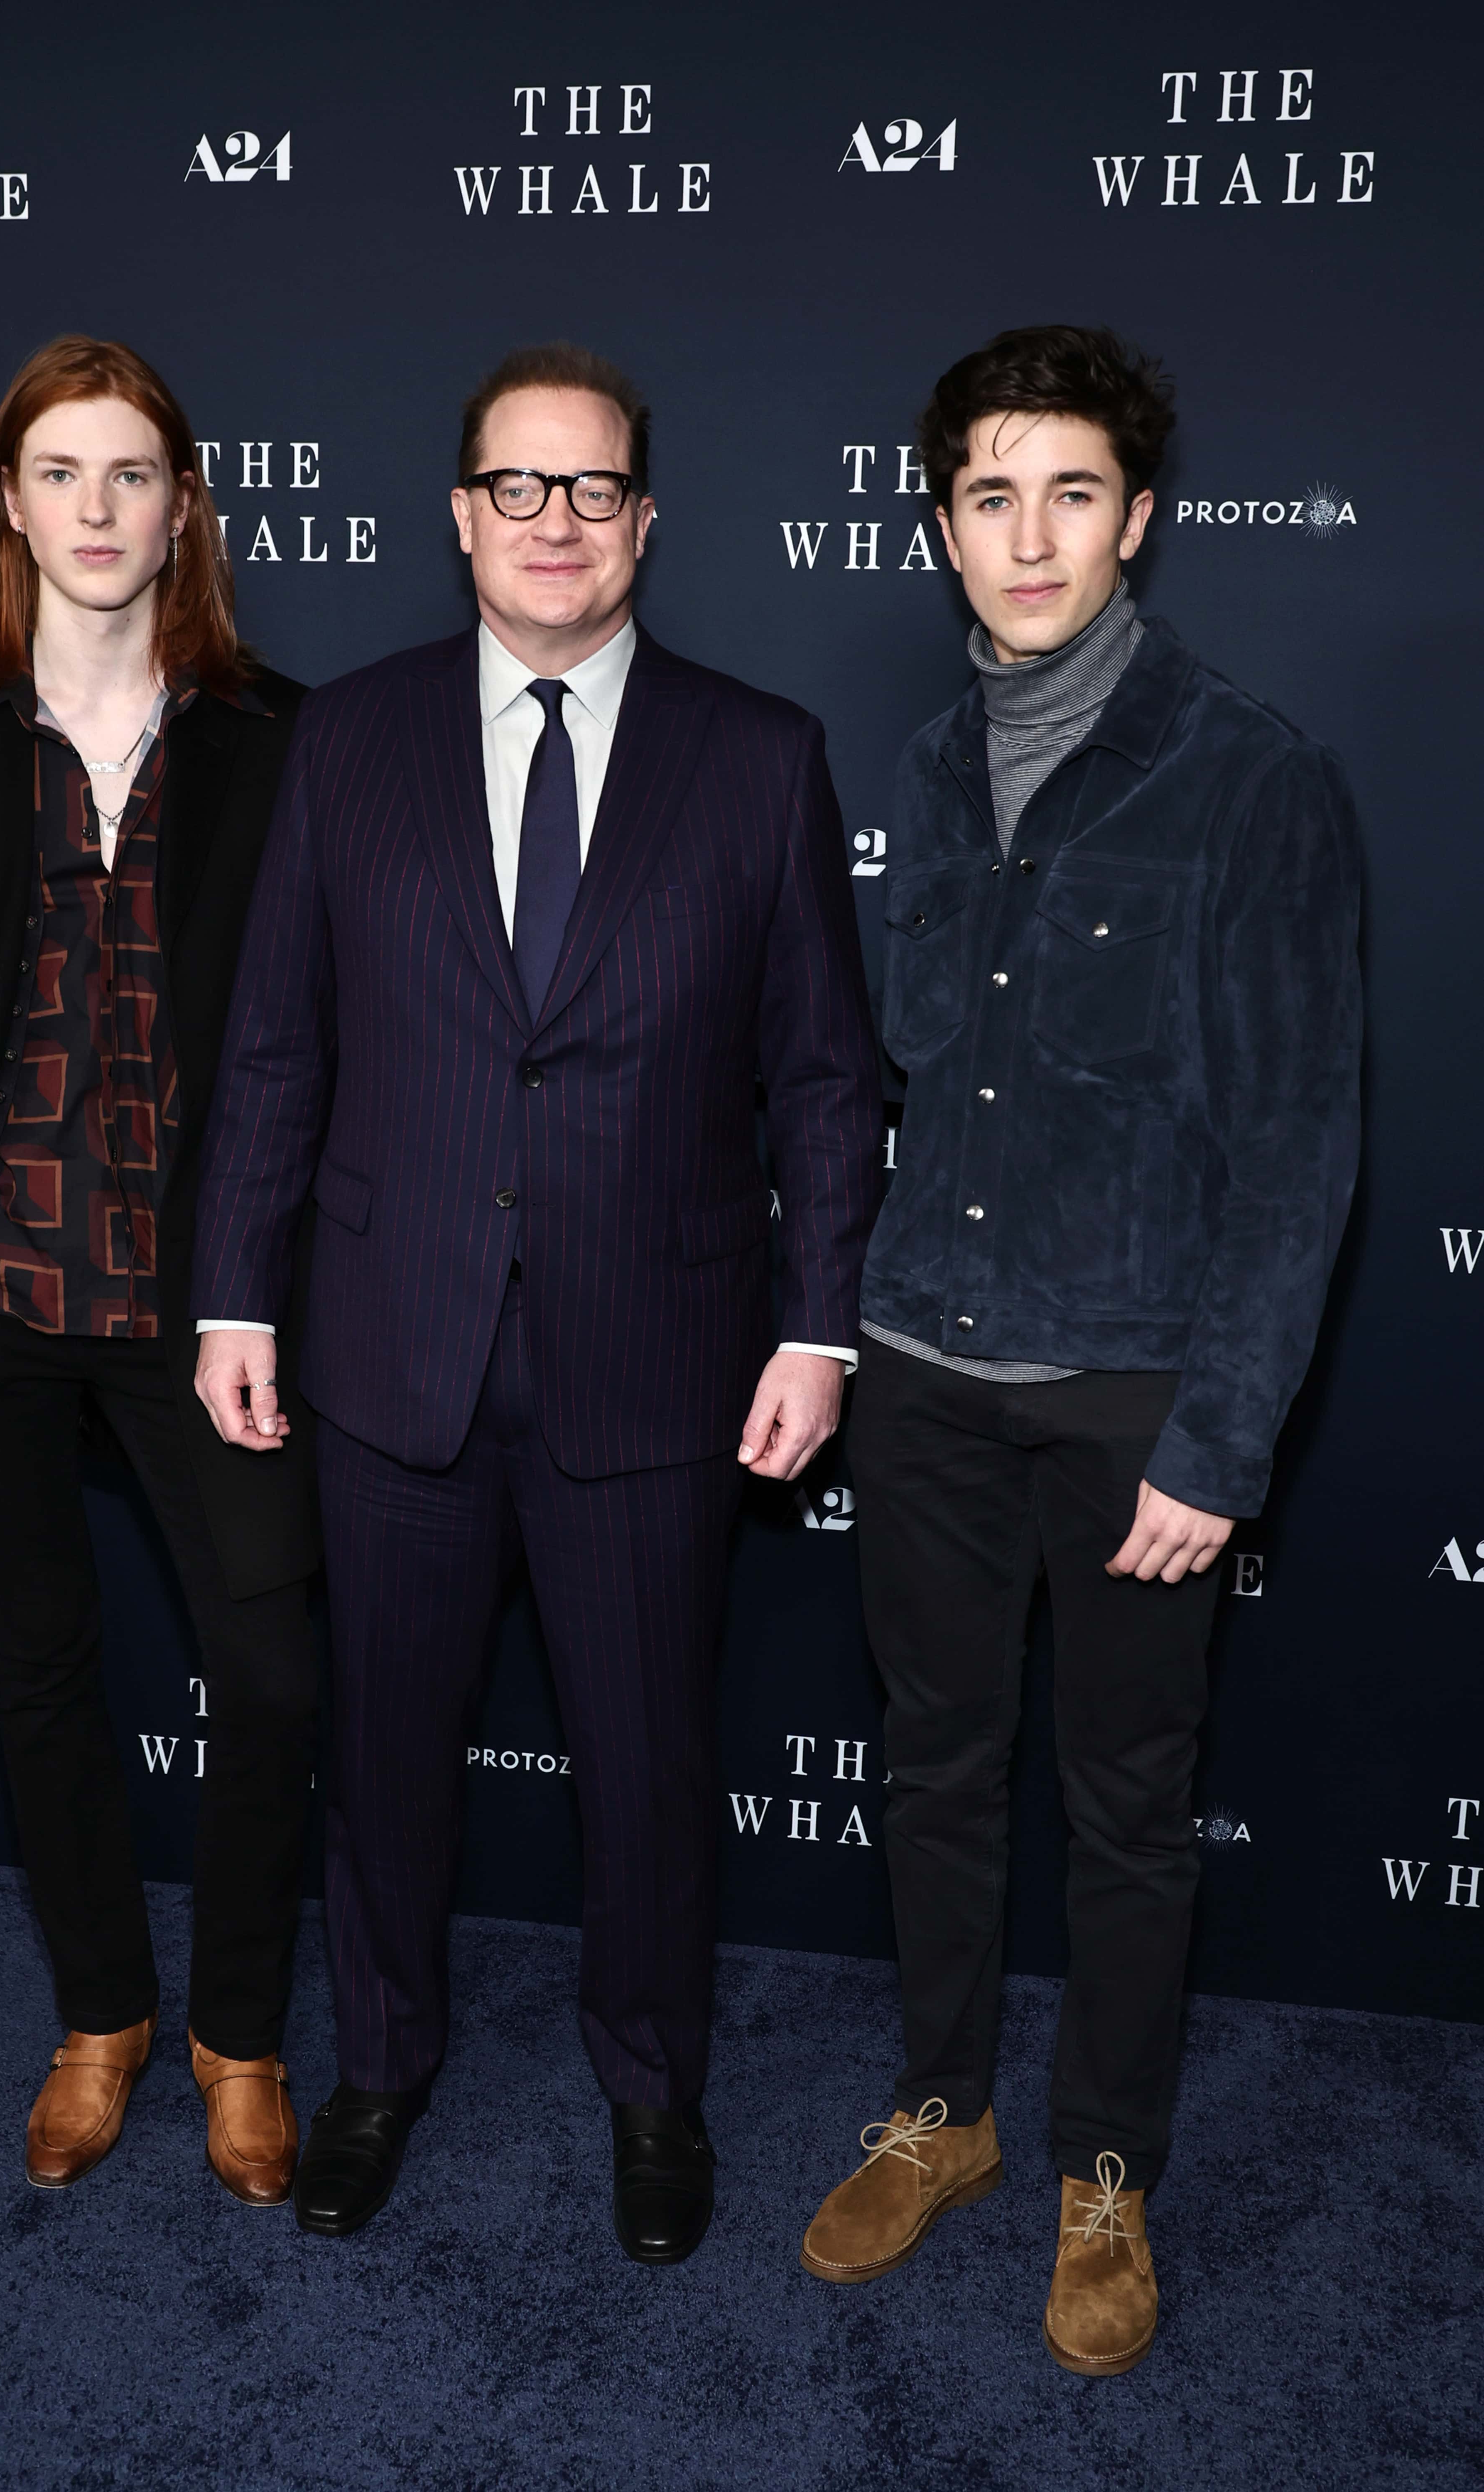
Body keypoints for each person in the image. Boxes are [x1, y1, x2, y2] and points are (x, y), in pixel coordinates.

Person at [194, 341, 883, 2263]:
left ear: (646, 521)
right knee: (388, 1752)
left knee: (654, 1764)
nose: (557, 521)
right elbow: (274, 1047)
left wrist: (817, 1327)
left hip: (655, 1362)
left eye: (594, 489)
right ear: (461, 518)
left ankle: (656, 2090)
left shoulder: (761, 755)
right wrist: (234, 1298)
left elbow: (826, 1075)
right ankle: (381, 2065)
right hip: (387, 1350)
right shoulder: (354, 739)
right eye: (522, 487)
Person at [799, 327, 1361, 2373]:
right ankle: (944, 2117)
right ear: (942, 522)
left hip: (1134, 1400)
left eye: (1068, 494)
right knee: (933, 1773)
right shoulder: (934, 764)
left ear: (1138, 516)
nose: (1024, 538)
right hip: (926, 1370)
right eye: (985, 495)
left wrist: (1218, 1443)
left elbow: (1302, 1146)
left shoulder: (1253, 771)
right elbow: (913, 1085)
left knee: (1128, 1811)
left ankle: (1103, 2171)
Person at [0, 336, 321, 2205]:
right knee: (43, 1668)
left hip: (208, 1308)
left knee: (271, 1674)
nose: (97, 511)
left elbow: (320, 1044)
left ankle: (238, 2035)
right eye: (60, 474)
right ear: (7, 503)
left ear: (185, 507)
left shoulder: (279, 735)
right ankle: (100, 2016)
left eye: (132, 476)